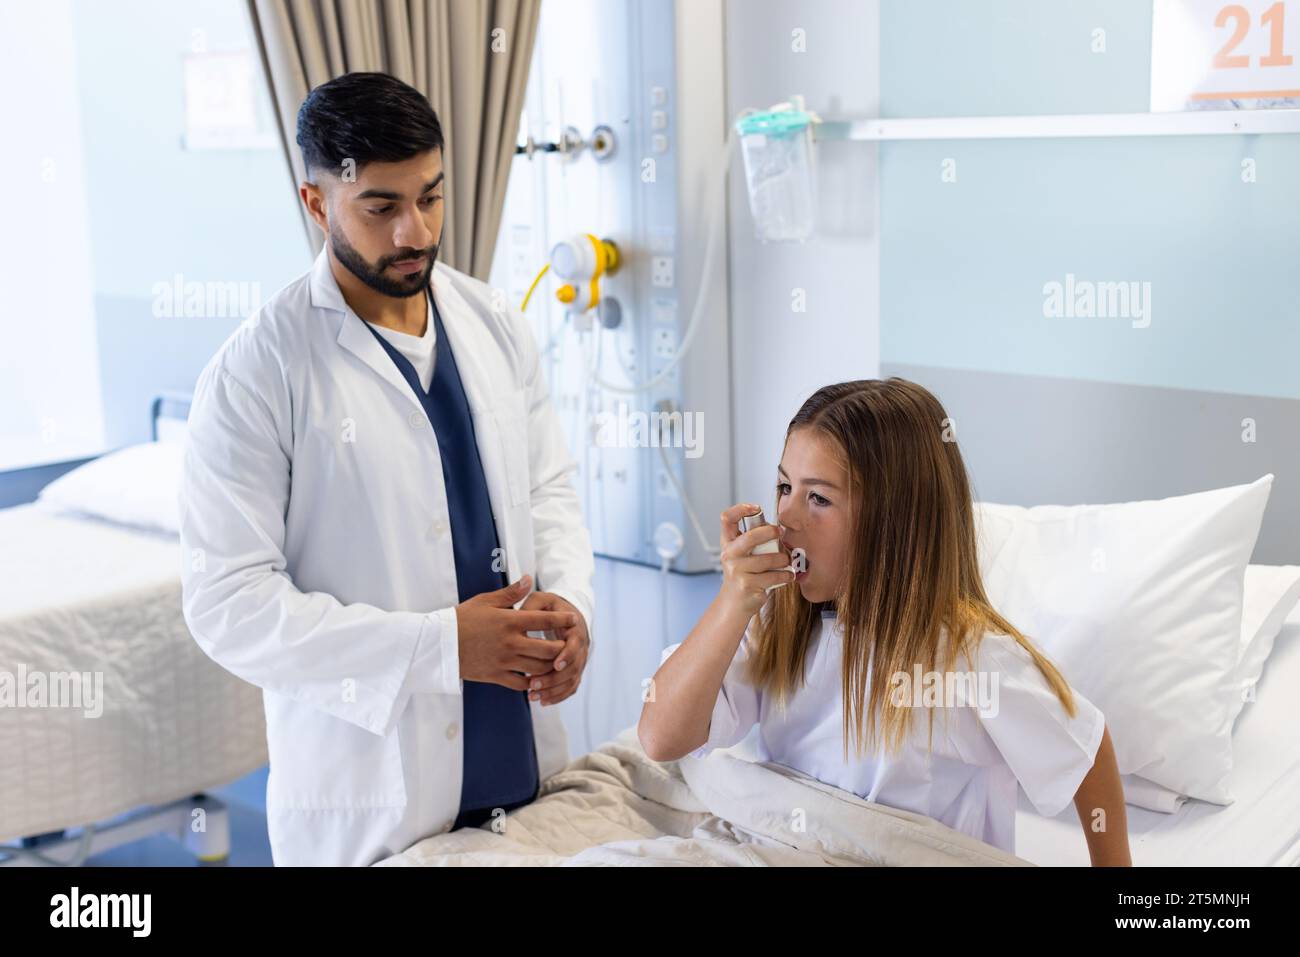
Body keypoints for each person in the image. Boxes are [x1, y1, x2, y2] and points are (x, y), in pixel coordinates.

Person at [179, 72, 594, 866]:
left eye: (431, 198)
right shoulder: (258, 372)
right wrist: (441, 648)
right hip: (372, 803)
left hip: (523, 769)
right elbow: (226, 601)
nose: (415, 232)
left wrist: (572, 607)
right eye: (381, 207)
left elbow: (549, 491)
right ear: (315, 203)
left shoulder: (493, 323)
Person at [639, 378, 1131, 865]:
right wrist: (732, 603)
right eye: (785, 486)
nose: (785, 517)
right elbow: (662, 738)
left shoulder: (968, 656)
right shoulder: (776, 620)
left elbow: (1085, 752)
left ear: (892, 523)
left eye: (819, 499)